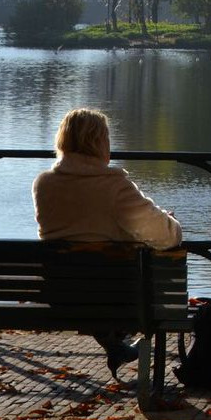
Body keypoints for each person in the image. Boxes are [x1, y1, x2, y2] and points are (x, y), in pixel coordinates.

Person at [32, 108, 182, 378]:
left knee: (93, 278)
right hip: (116, 298)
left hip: (60, 297)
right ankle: (121, 347)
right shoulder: (114, 186)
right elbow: (167, 236)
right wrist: (169, 222)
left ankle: (116, 346)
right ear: (100, 142)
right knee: (146, 277)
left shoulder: (43, 185)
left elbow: (82, 229)